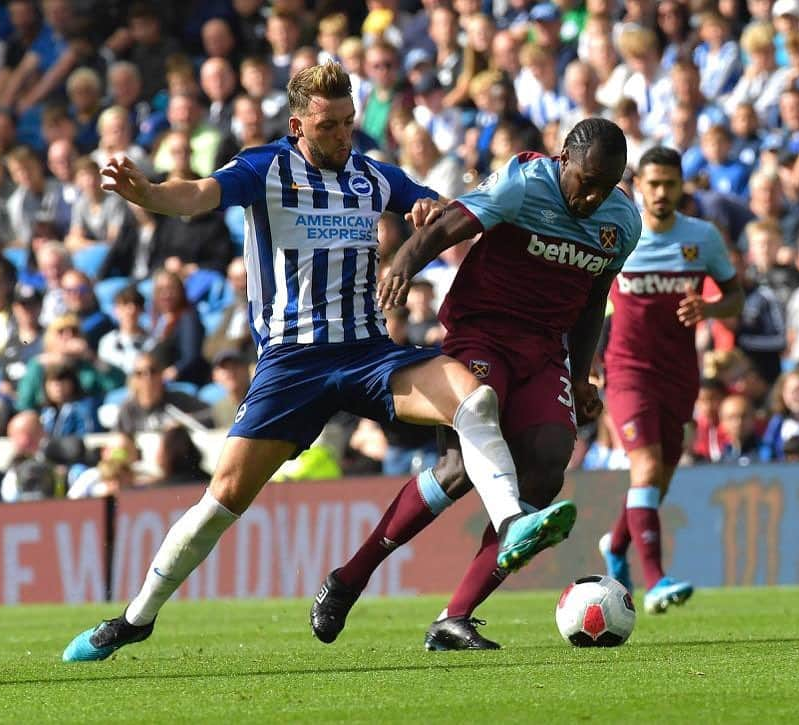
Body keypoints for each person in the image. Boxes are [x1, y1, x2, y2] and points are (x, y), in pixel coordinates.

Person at [63, 62, 572, 663]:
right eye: (329, 125)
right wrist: (147, 193)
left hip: (367, 355)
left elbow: (432, 206)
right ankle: (135, 618)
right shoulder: (265, 167)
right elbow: (199, 194)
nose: (343, 135)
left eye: (349, 121)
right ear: (298, 123)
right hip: (292, 365)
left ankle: (512, 521)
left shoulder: (372, 177)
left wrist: (426, 210)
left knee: (473, 399)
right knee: (221, 499)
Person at [311, 118, 639, 651]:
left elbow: (593, 298)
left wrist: (581, 374)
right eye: (587, 180)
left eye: (608, 184)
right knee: (459, 467)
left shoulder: (621, 221)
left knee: (549, 463)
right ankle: (350, 577)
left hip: (542, 351)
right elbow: (448, 226)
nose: (594, 196)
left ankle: (454, 617)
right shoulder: (523, 183)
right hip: (480, 335)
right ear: (563, 160)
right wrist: (403, 262)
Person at [598, 146, 744, 608]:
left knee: (657, 477)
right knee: (643, 467)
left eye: (670, 184)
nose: (661, 193)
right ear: (638, 186)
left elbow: (736, 296)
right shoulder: (618, 233)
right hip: (626, 372)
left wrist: (712, 307)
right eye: (653, 183)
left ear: (682, 186)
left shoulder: (702, 238)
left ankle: (615, 545)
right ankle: (657, 579)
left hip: (680, 375)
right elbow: (587, 296)